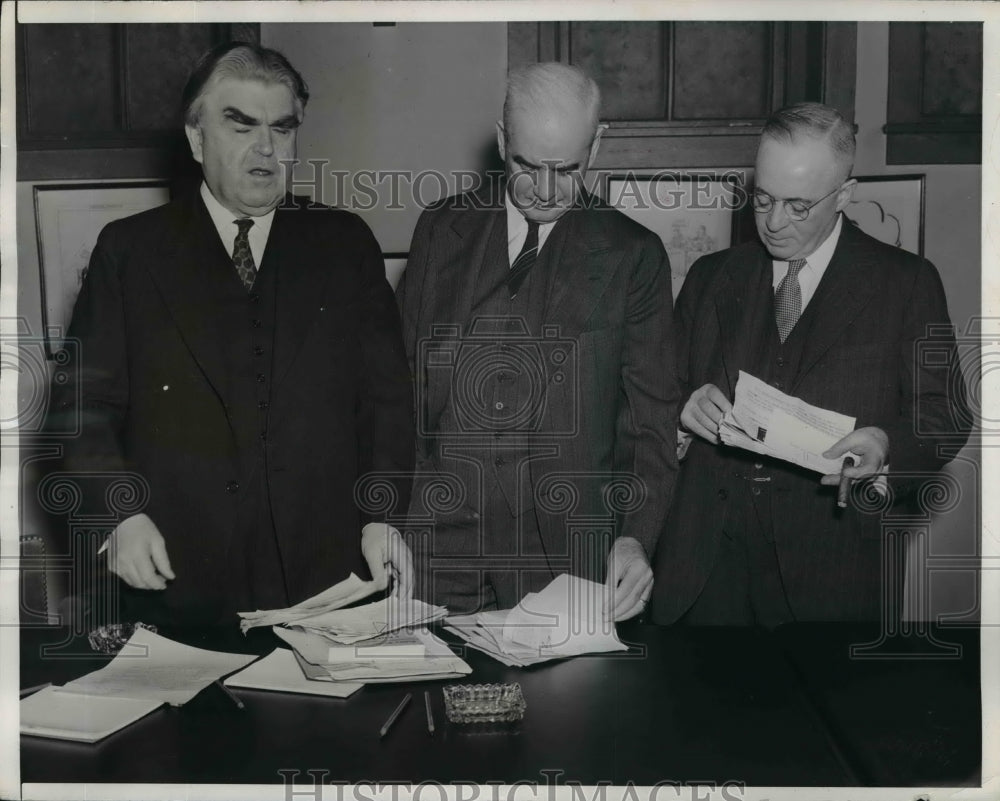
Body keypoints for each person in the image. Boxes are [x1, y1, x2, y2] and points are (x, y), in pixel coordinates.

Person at [45, 42, 415, 627]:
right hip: (176, 584)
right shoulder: (130, 251)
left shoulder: (345, 246)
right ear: (197, 140)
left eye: (282, 129)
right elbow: (81, 408)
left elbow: (387, 405)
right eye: (240, 125)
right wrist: (117, 516)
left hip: (328, 584)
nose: (265, 148)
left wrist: (382, 516)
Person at [650, 102, 971, 626]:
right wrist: (681, 410)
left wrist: (886, 444)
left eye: (798, 206)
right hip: (704, 577)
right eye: (763, 199)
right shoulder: (711, 277)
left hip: (831, 575)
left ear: (844, 194)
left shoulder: (906, 282)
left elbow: (946, 416)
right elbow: (657, 393)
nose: (773, 223)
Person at [397, 63, 679, 618]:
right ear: (503, 140)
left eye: (566, 168)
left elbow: (652, 420)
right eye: (526, 164)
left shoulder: (634, 256)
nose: (545, 189)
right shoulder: (439, 228)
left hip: (566, 557)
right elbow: (400, 383)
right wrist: (392, 521)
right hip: (436, 552)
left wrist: (635, 537)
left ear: (596, 145)